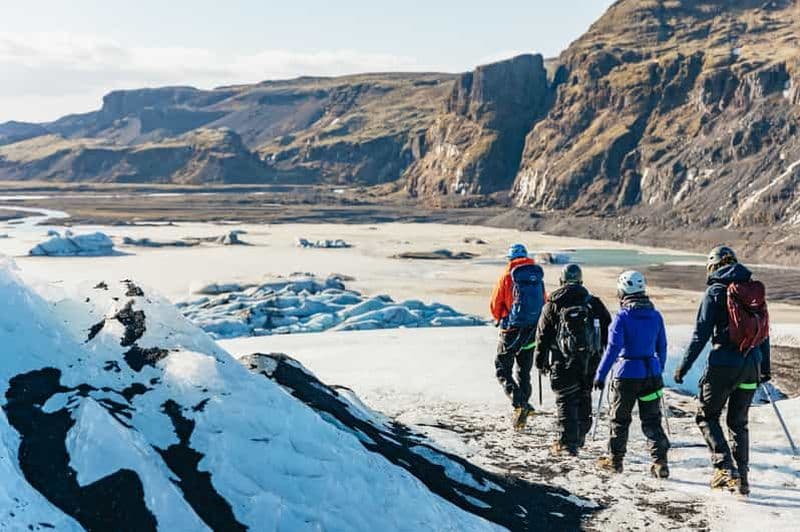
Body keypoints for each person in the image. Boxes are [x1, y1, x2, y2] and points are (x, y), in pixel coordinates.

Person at [673, 246, 770, 496]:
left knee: (707, 416)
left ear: (712, 266)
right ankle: (743, 479)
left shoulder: (715, 292)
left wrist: (683, 367)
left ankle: (724, 468)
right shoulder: (753, 293)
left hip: (723, 365)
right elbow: (764, 334)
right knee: (739, 422)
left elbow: (700, 335)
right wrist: (764, 369)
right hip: (751, 366)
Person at [594, 271, 670, 478]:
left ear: (622, 292)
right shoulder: (656, 315)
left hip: (627, 375)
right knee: (652, 420)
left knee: (620, 419)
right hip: (651, 374)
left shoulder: (622, 317)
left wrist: (600, 375)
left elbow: (612, 349)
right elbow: (662, 346)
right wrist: (658, 369)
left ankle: (615, 460)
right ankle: (660, 462)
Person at [534, 263, 611, 455]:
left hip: (562, 361)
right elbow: (608, 330)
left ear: (561, 281)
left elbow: (542, 336)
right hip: (590, 361)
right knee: (584, 395)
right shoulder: (593, 303)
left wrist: (540, 361)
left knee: (565, 400)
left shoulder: (552, 305)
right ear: (581, 280)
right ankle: (580, 435)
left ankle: (568, 443)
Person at [490, 243, 546, 431]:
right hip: (532, 330)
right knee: (523, 372)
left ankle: (520, 404)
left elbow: (496, 303)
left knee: (502, 367)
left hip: (511, 330)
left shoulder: (507, 277)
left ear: (510, 259)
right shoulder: (536, 276)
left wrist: (499, 318)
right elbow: (544, 301)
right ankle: (523, 409)